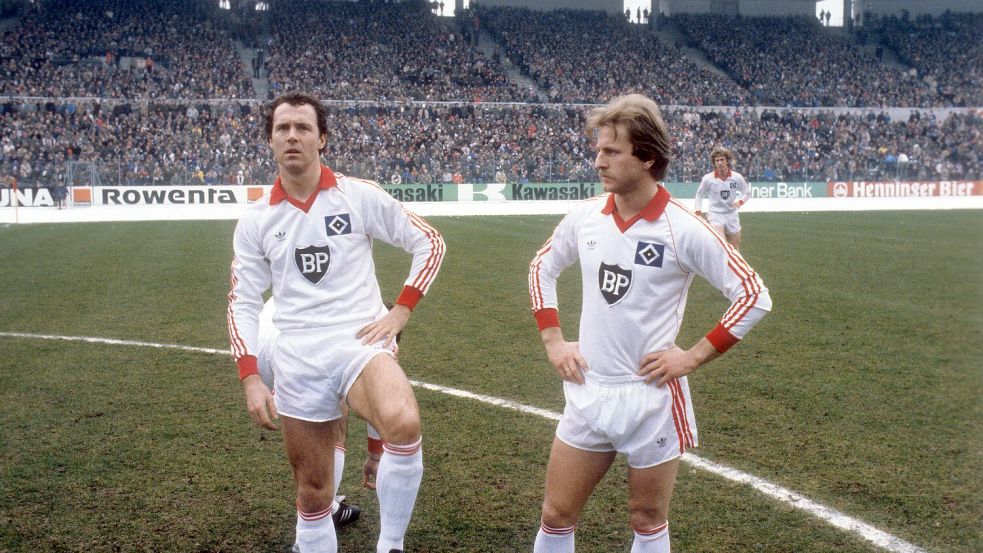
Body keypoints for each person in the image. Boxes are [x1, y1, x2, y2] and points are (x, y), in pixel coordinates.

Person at [528, 94, 771, 552]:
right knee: (556, 514)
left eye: (611, 152)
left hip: (651, 397)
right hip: (589, 389)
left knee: (646, 518)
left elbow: (754, 294)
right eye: (598, 149)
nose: (598, 161)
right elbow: (541, 266)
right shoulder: (586, 217)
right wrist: (554, 340)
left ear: (648, 157)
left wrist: (693, 356)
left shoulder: (685, 228)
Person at [228, 91, 445, 553]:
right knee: (313, 494)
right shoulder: (256, 221)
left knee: (403, 424)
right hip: (297, 353)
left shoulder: (357, 195)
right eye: (282, 128)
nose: (292, 136)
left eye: (303, 128)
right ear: (269, 141)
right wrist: (250, 378)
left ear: (322, 139)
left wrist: (402, 308)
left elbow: (429, 241)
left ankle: (391, 545)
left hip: (358, 342)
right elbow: (243, 301)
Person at [694, 147, 749, 250]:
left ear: (727, 161)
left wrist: (740, 202)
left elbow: (747, 192)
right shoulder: (708, 179)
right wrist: (698, 212)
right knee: (721, 245)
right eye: (717, 160)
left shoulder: (736, 177)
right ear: (714, 163)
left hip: (731, 214)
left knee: (735, 249)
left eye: (722, 159)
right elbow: (699, 195)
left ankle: (731, 265)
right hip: (715, 214)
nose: (719, 163)